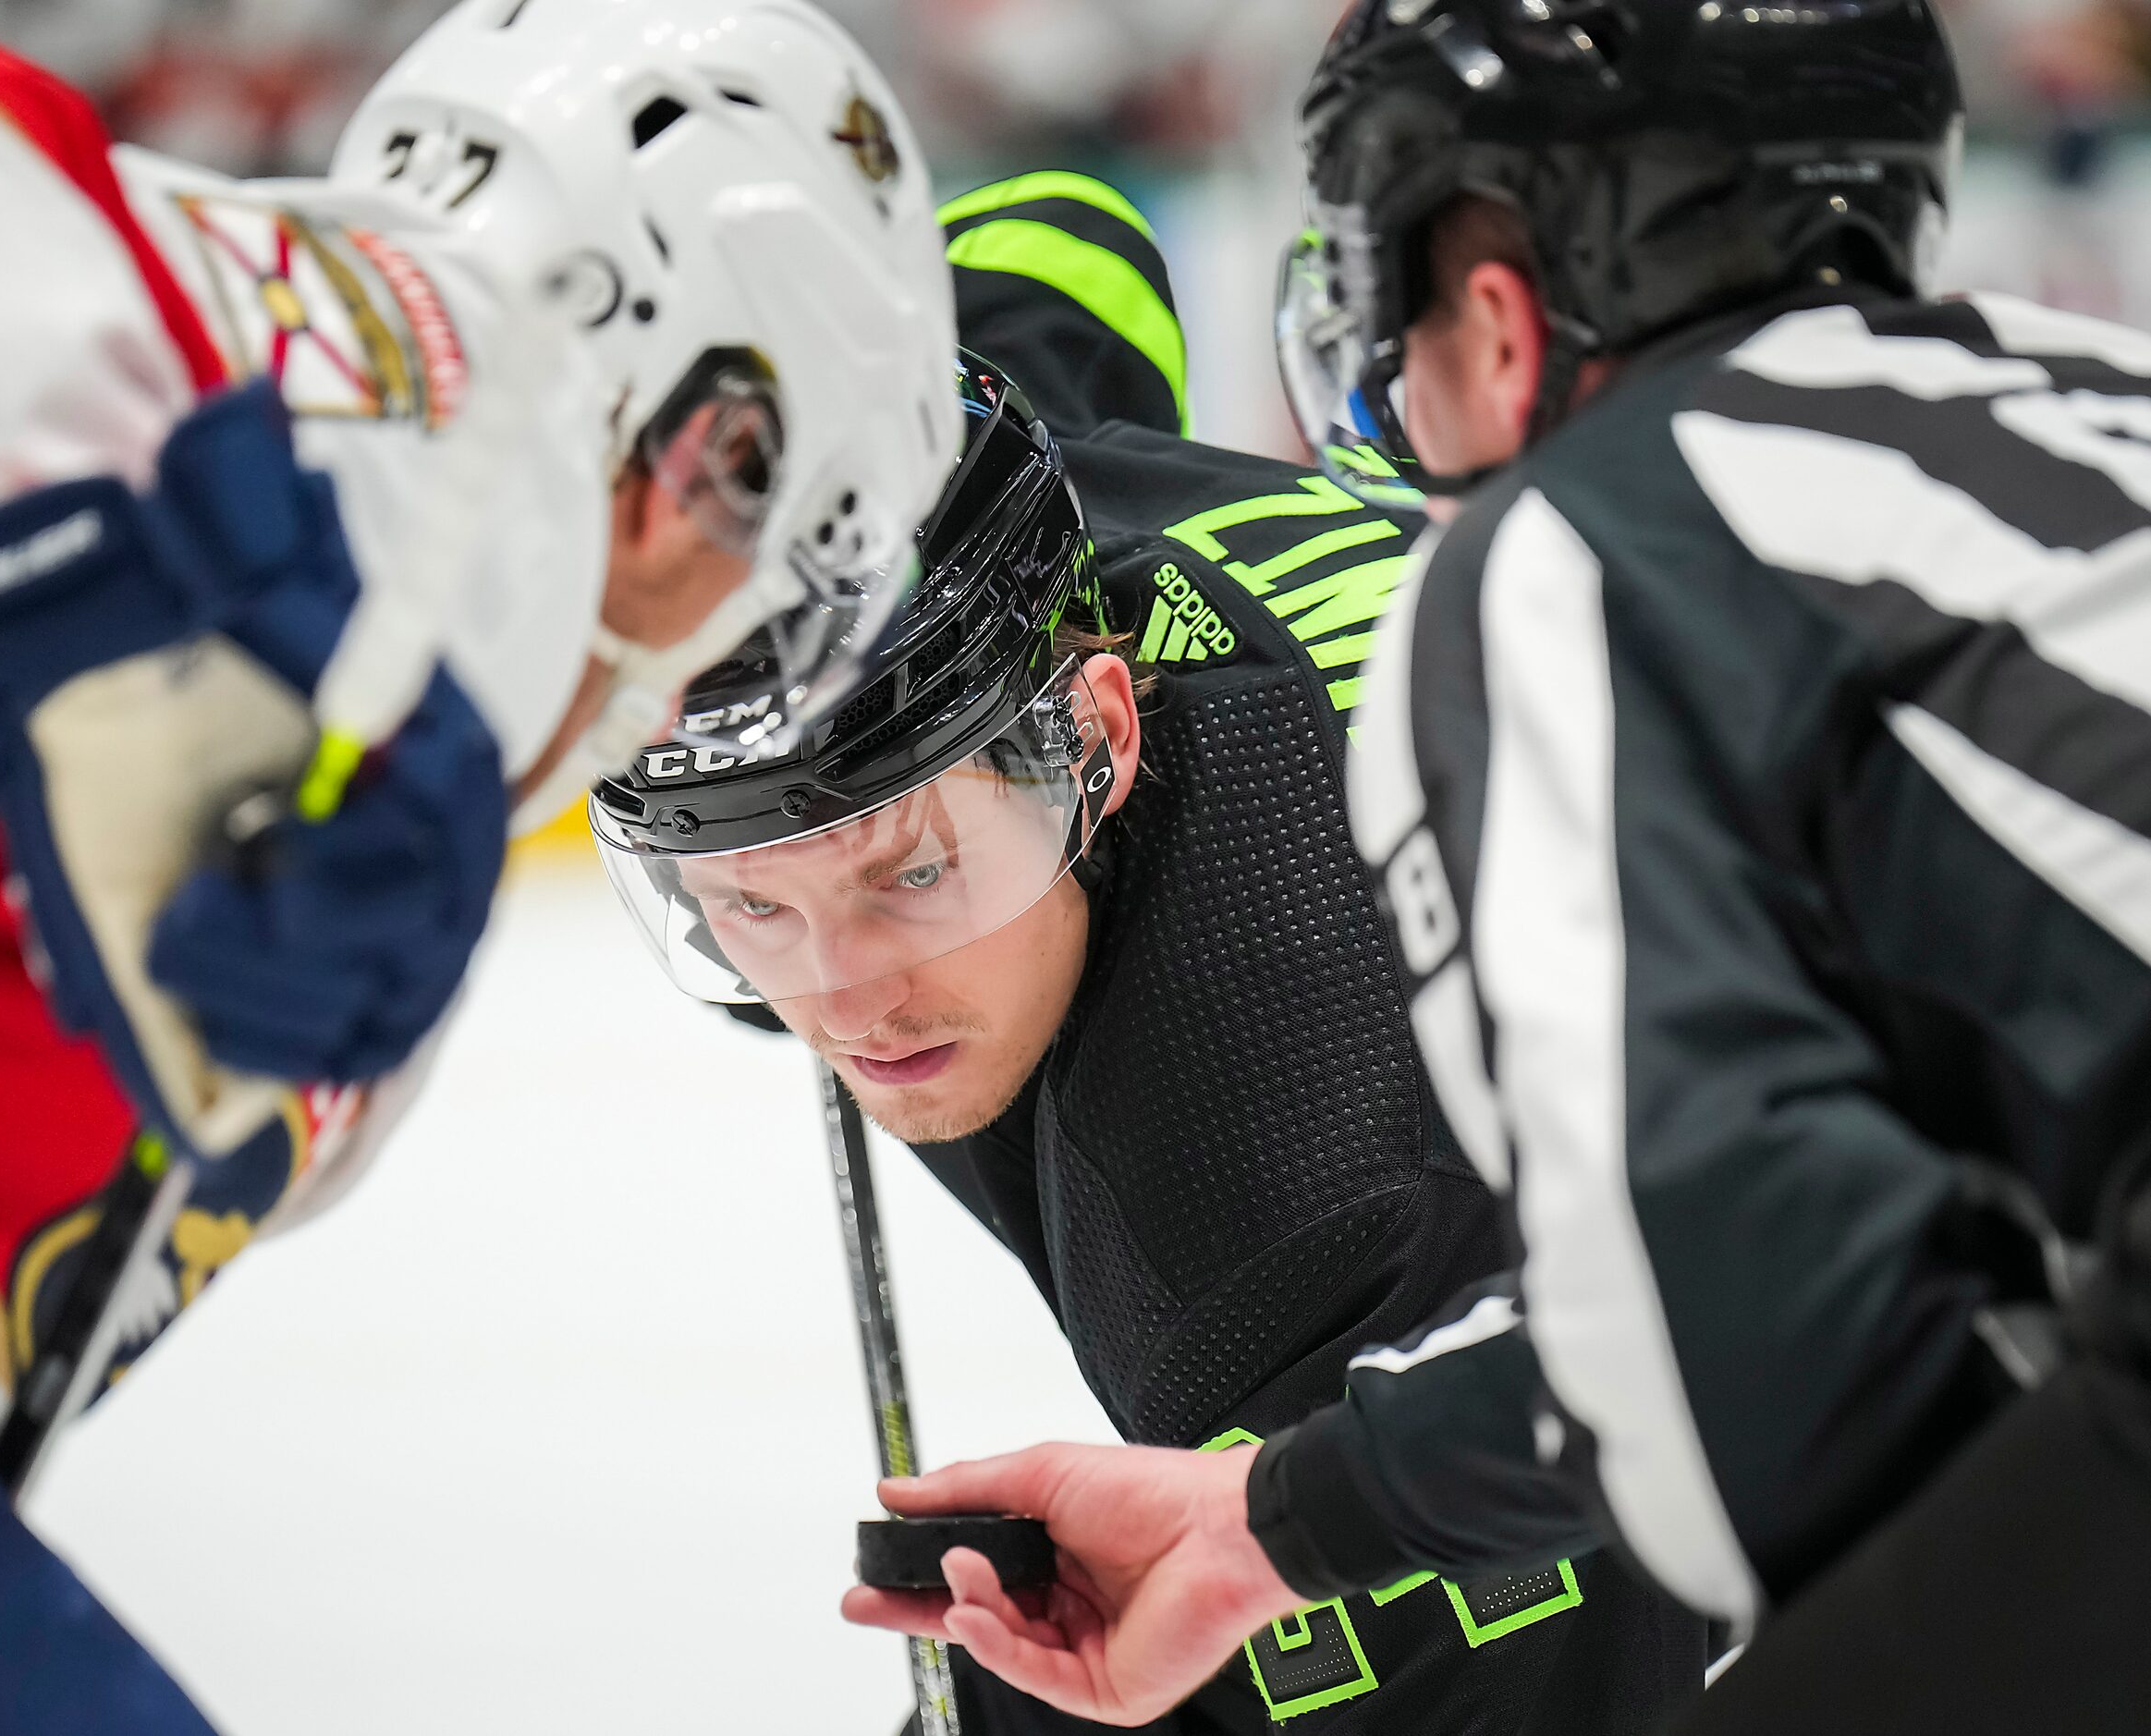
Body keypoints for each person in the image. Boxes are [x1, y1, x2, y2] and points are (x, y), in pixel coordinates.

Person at [0, 3, 955, 1726]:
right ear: (710, 450)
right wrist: (157, 642)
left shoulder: (385, 631)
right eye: (770, 618)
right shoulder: (373, 383)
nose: (691, 714)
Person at [847, 4, 2151, 1731]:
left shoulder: (1583, 549)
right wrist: (1267, 1524)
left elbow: (1727, 1373)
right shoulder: (2080, 406)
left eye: (1389, 294)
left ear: (1494, 310)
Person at [592, 176, 1710, 1732]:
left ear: (1096, 740)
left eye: (912, 873)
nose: (841, 999)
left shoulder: (1279, 1203)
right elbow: (1058, 233)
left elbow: (1557, 1628)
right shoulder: (991, 505)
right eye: (745, 906)